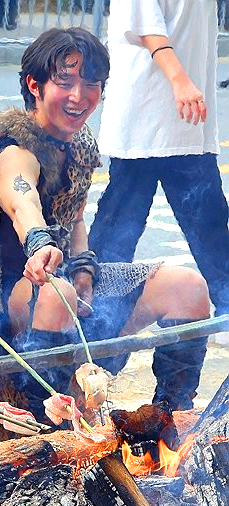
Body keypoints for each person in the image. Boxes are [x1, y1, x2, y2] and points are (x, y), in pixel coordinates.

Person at [0, 27, 210, 415]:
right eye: (65, 82)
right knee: (61, 295)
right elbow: (21, 199)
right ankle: (51, 428)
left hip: (60, 280)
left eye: (92, 83)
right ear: (35, 85)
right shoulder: (11, 148)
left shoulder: (76, 143)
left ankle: (169, 419)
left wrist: (85, 268)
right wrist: (40, 244)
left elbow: (74, 220)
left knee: (188, 286)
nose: (80, 97)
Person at [89, 0, 229, 317]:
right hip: (146, 118)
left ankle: (225, 310)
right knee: (118, 230)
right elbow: (146, 26)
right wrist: (180, 81)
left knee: (210, 224)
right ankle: (95, 327)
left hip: (188, 122)